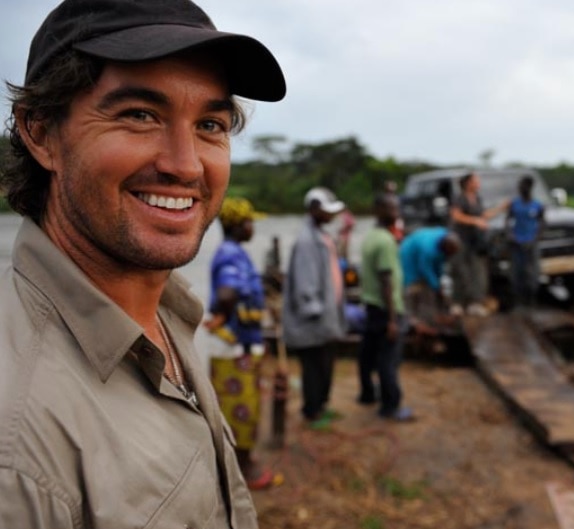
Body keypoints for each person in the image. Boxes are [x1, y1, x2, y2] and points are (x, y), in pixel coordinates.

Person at [0, 0, 286, 526]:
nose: (184, 165)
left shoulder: (165, 312)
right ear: (41, 133)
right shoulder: (16, 444)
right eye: (139, 115)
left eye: (210, 124)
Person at [204, 197, 272, 489]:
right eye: (249, 222)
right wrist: (224, 316)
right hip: (234, 347)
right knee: (239, 407)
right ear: (236, 225)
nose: (253, 227)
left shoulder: (234, 252)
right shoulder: (230, 255)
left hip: (242, 345)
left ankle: (242, 462)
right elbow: (228, 293)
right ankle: (242, 470)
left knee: (245, 404)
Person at [282, 187, 348, 429]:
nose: (331, 215)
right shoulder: (307, 241)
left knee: (325, 366)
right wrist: (316, 314)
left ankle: (321, 405)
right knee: (313, 367)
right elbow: (306, 285)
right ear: (313, 210)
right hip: (315, 321)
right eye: (326, 211)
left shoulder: (321, 235)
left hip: (326, 319)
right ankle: (312, 411)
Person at [357, 193, 414, 420]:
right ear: (380, 211)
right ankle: (391, 405)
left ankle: (368, 393)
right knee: (388, 360)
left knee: (369, 354)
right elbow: (386, 280)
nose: (396, 214)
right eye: (392, 210)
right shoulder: (385, 241)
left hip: (372, 306)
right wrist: (392, 320)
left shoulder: (371, 236)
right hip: (386, 309)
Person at [449, 172, 508, 316]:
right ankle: (458, 303)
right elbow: (456, 216)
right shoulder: (459, 198)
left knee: (477, 272)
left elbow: (483, 215)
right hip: (460, 240)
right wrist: (475, 221)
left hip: (475, 242)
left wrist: (501, 208)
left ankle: (475, 303)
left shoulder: (477, 199)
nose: (479, 183)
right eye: (476, 181)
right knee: (461, 271)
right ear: (468, 183)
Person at [399, 227, 462, 331]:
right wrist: (436, 286)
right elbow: (425, 270)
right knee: (415, 286)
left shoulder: (444, 236)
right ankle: (414, 320)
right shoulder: (428, 249)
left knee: (433, 286)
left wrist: (439, 280)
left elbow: (440, 264)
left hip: (424, 254)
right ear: (445, 247)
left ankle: (432, 316)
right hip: (409, 256)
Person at [504, 176, 546, 307]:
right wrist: (510, 235)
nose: (522, 189)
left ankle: (532, 299)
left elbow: (543, 222)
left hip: (531, 244)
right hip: (517, 243)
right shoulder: (514, 204)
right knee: (517, 271)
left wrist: (536, 238)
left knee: (532, 272)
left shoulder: (537, 205)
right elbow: (508, 220)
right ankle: (518, 300)